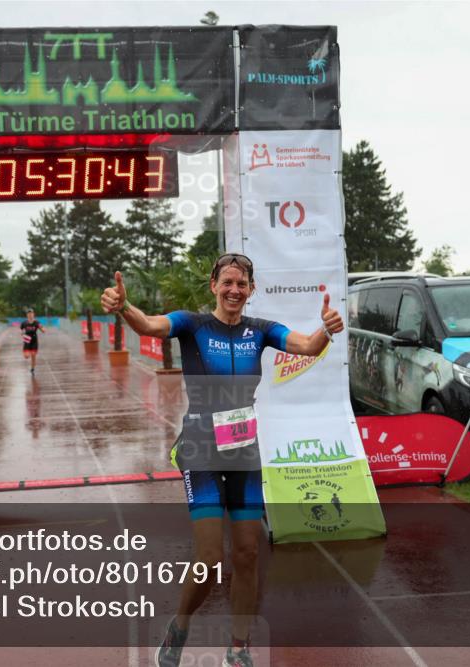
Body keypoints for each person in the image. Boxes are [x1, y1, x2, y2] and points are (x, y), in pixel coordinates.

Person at [101, 253, 344, 667]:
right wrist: (124, 307)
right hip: (200, 449)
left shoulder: (261, 330)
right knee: (211, 557)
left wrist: (327, 329)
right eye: (227, 282)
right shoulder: (193, 325)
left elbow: (305, 346)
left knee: (248, 552)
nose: (235, 290)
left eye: (242, 284)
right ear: (213, 285)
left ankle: (238, 646)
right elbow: (150, 325)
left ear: (251, 290)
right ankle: (179, 625)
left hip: (243, 450)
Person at [20, 308, 45, 374]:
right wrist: (22, 333)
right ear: (27, 315)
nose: (30, 315)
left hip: (34, 340)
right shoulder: (24, 323)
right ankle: (27, 353)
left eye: (31, 313)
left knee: (33, 355)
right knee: (26, 356)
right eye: (29, 313)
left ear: (33, 314)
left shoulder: (36, 322)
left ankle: (32, 369)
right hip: (27, 340)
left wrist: (42, 329)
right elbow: (21, 330)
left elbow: (43, 329)